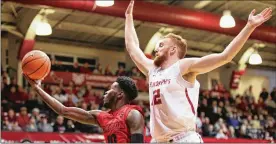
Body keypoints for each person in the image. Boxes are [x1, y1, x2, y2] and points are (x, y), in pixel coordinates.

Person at [124, 0, 272, 142]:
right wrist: (129, 18)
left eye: (161, 45)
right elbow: (132, 48)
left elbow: (225, 57)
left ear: (173, 49)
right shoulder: (152, 70)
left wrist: (249, 26)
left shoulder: (184, 67)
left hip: (183, 139)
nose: (156, 48)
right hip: (158, 140)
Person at [24, 75, 144, 143]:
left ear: (120, 94)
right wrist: (37, 89)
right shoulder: (102, 116)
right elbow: (63, 110)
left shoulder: (133, 114)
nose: (105, 93)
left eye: (110, 89)